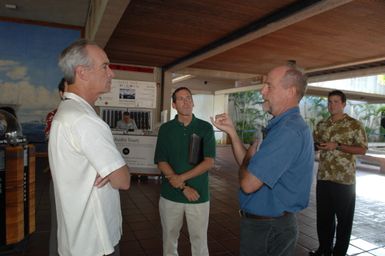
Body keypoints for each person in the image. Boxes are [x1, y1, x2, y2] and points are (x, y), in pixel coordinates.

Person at [212, 65, 314, 256]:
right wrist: (232, 133)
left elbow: (249, 183)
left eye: (269, 86)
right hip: (268, 225)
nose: (262, 90)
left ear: (290, 92)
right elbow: (250, 165)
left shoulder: (287, 132)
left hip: (269, 228)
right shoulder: (281, 126)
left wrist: (250, 156)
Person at [48, 39, 131, 256]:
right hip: (95, 241)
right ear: (82, 72)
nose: (111, 73)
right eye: (105, 66)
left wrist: (106, 169)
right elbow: (123, 180)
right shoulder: (84, 120)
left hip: (79, 238)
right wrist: (112, 170)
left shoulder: (68, 112)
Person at [154, 87, 216, 256]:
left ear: (193, 102)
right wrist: (183, 187)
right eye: (181, 99)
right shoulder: (166, 129)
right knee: (169, 240)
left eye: (188, 98)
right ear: (174, 105)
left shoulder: (205, 128)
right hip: (170, 196)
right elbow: (161, 160)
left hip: (198, 195)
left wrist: (181, 179)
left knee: (199, 241)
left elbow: (209, 161)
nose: (186, 101)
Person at [310, 90, 368, 256]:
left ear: (343, 104)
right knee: (323, 218)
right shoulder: (322, 124)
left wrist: (338, 145)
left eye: (336, 101)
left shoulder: (354, 125)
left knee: (344, 220)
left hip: (344, 180)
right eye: (330, 102)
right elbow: (315, 144)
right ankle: (324, 249)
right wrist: (316, 146)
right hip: (324, 177)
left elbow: (362, 149)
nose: (332, 105)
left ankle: (340, 252)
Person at [45, 78, 67, 256]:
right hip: (61, 181)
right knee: (59, 225)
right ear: (61, 93)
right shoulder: (55, 116)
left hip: (83, 183)